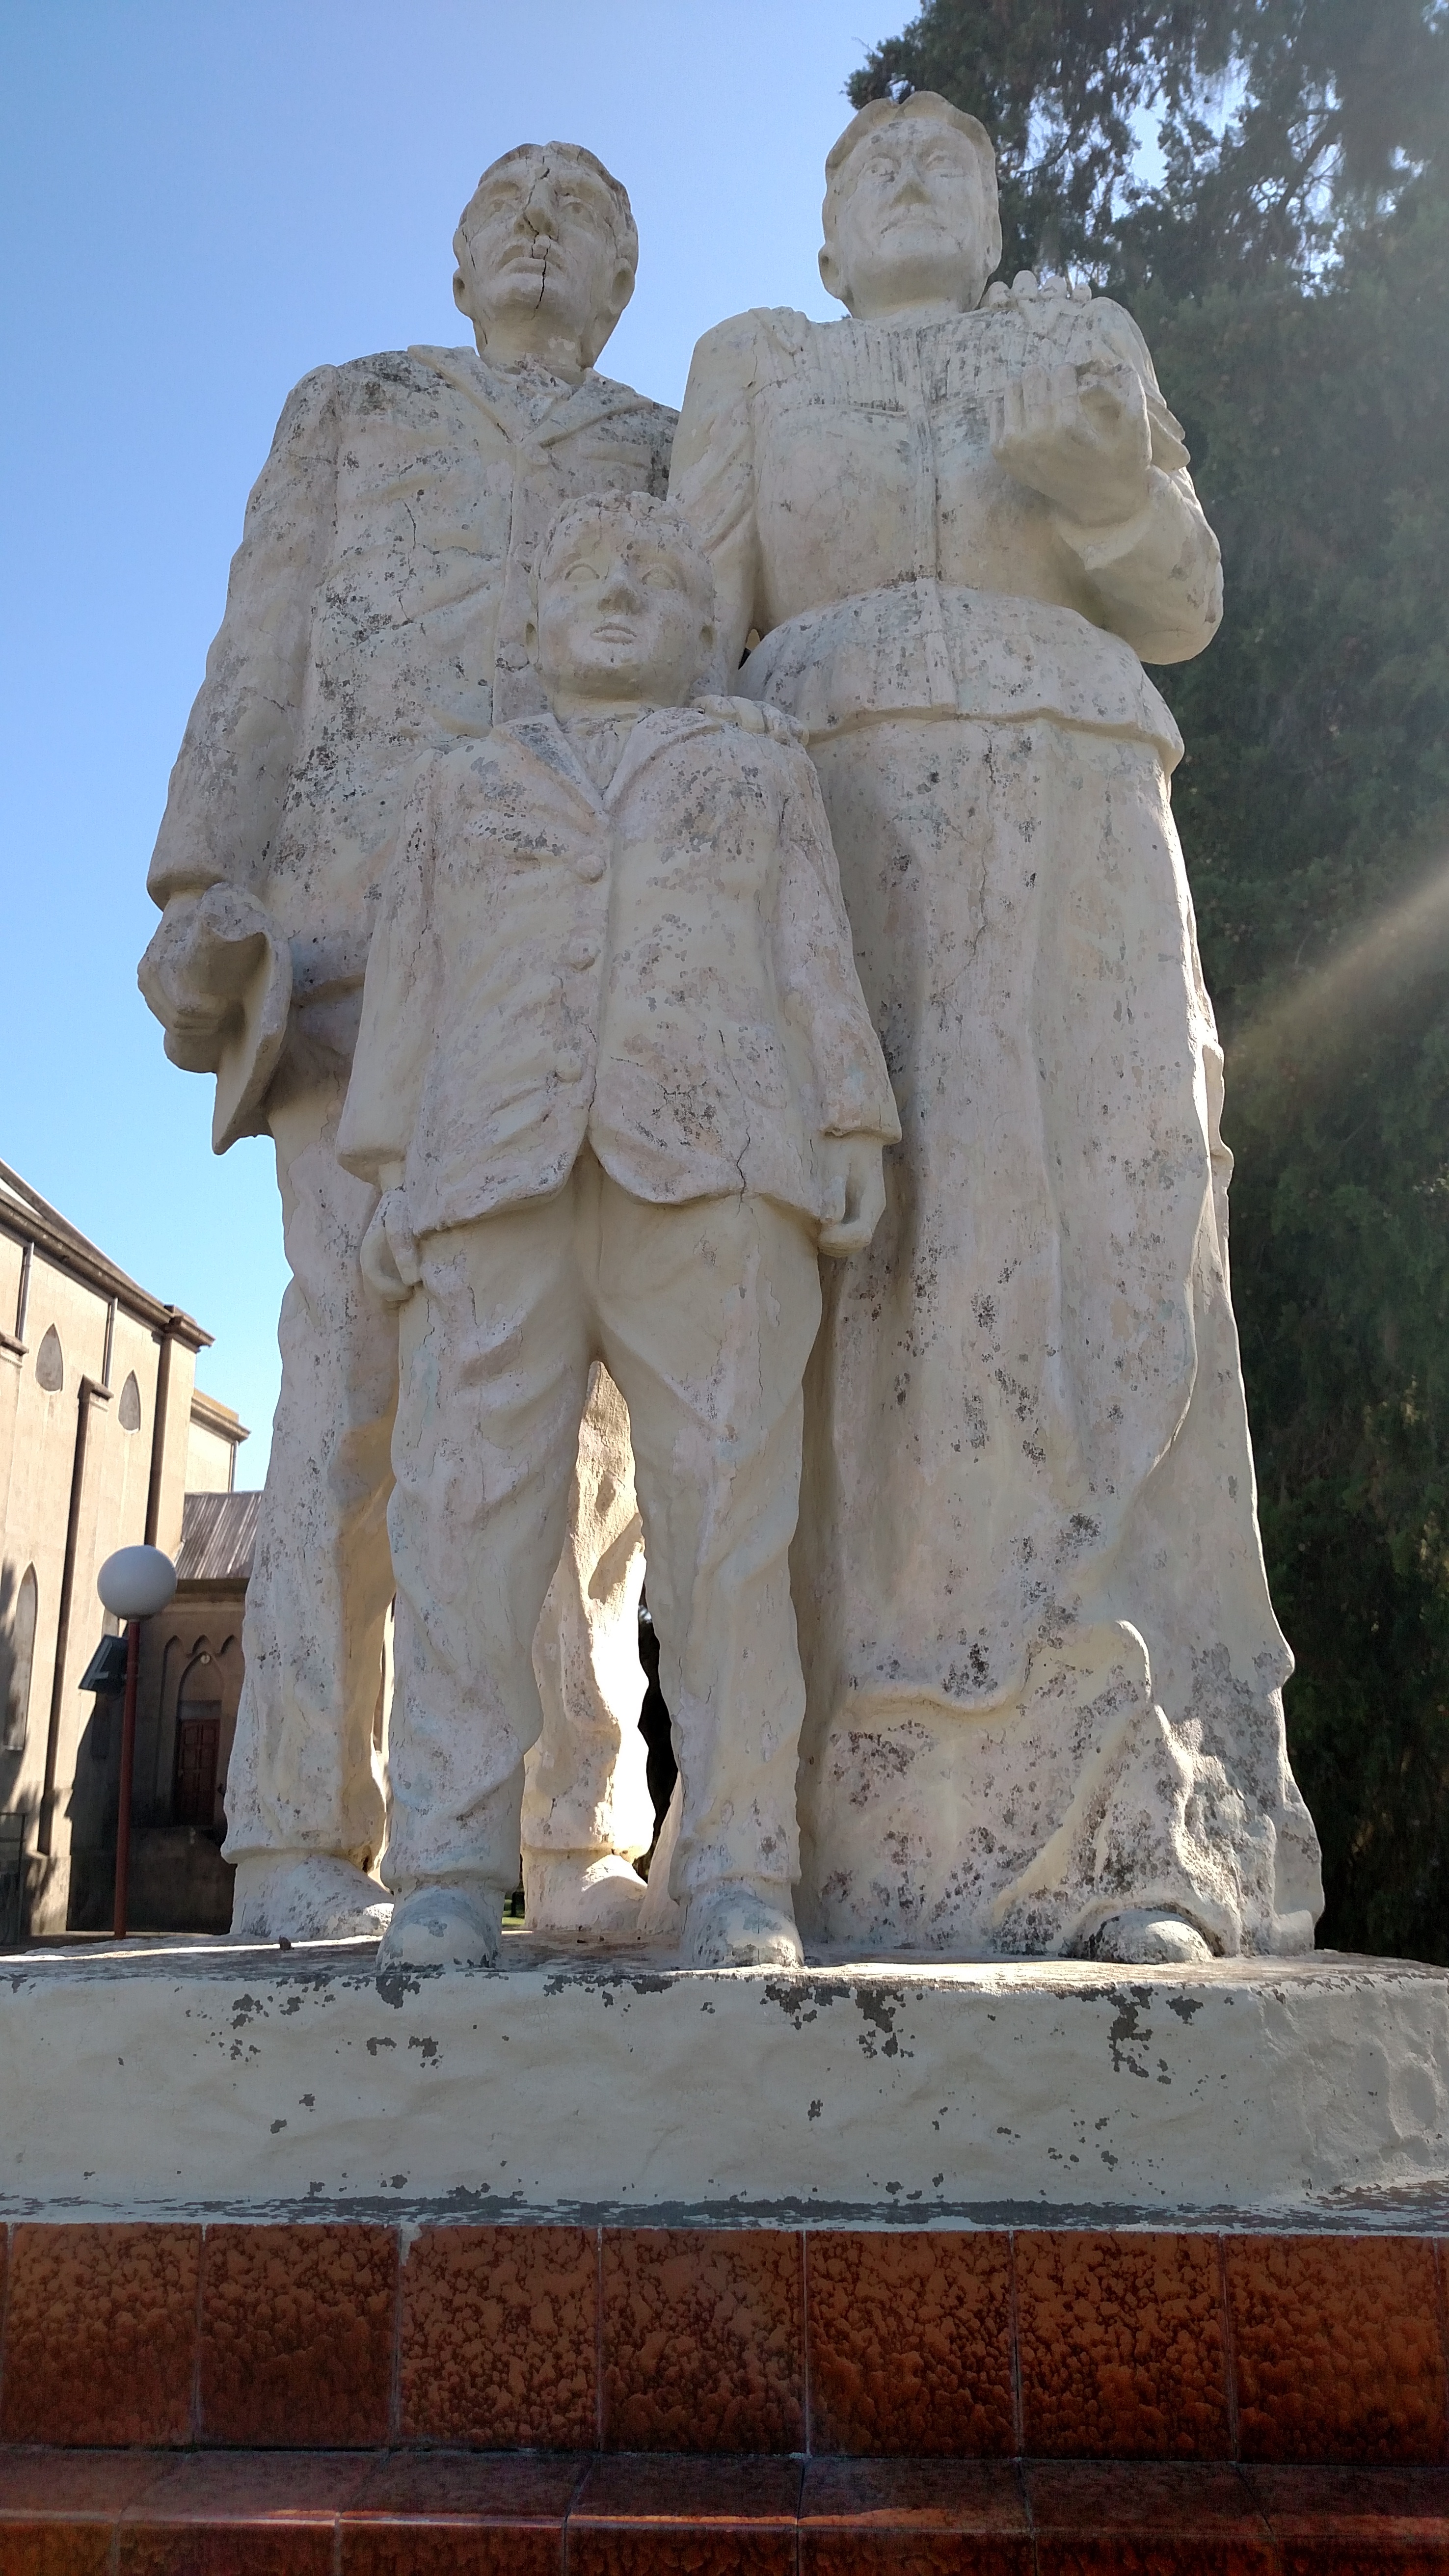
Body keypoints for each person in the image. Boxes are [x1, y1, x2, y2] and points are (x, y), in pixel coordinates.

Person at [670, 92, 1323, 1964]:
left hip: (1087, 828)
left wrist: (1110, 482)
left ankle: (1137, 1833)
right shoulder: (761, 368)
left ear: (995, 209)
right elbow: (679, 629)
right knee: (880, 1287)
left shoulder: (1080, 339)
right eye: (870, 163)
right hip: (832, 835)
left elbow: (1183, 596)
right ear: (819, 234)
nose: (911, 175)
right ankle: (808, 1834)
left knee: (1114, 1250)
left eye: (949, 161)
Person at [138, 143, 675, 1942]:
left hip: (585, 960)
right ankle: (301, 1830)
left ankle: (574, 1834)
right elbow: (262, 642)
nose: (539, 225)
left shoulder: (668, 453)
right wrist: (203, 885)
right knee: (354, 1385)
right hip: (353, 938)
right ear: (456, 261)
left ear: (621, 280)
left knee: (581, 1414)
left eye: (582, 213)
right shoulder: (351, 407)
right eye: (508, 204)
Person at [335, 491, 900, 1970]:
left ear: (702, 628)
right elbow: (412, 982)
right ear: (529, 620)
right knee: (461, 1520)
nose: (621, 594)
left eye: (656, 577)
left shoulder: (755, 767)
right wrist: (390, 1163)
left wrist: (850, 1119)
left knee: (727, 1527)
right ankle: (450, 1865)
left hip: (717, 1163)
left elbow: (809, 944)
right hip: (486, 1173)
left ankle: (738, 1866)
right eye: (586, 572)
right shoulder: (460, 785)